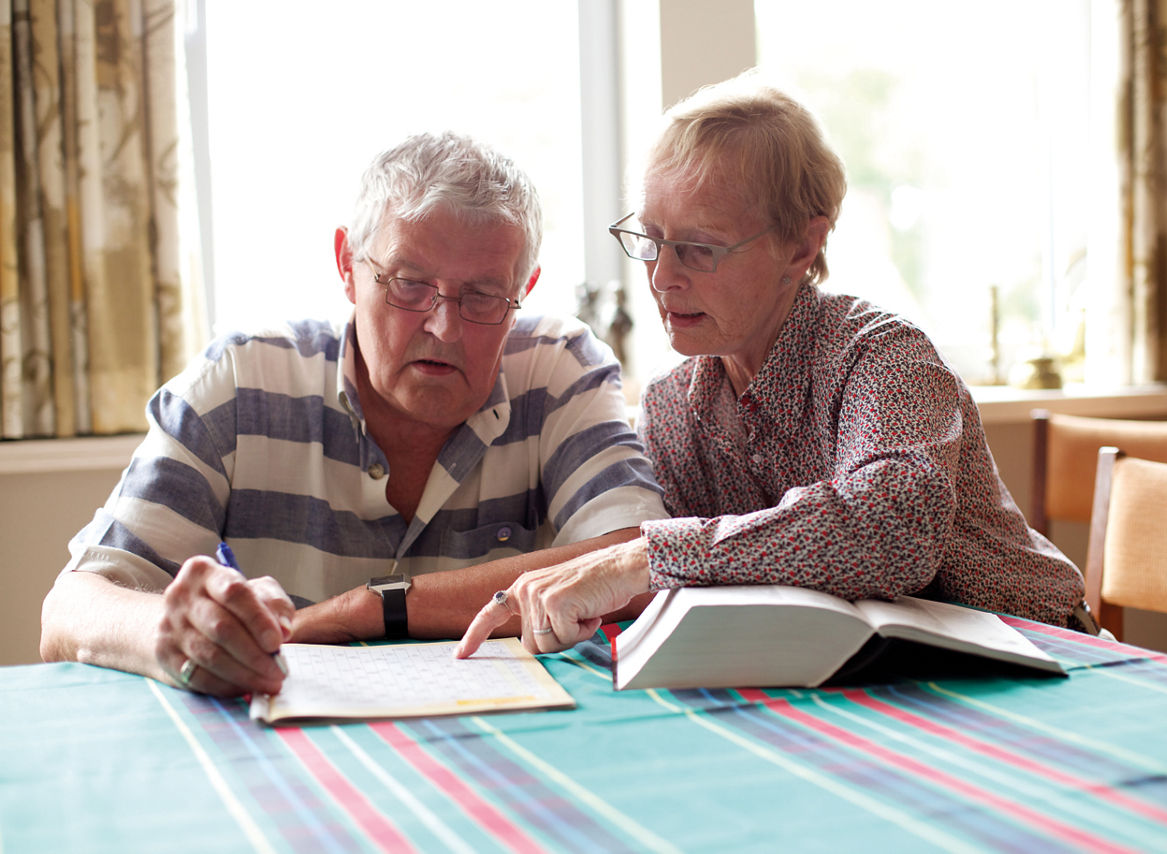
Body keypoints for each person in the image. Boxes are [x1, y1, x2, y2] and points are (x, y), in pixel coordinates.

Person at [458, 74, 1092, 658]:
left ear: (802, 246)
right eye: (650, 239)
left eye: (699, 248)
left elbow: (894, 529)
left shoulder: (882, 355)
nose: (662, 276)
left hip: (1041, 653)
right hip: (866, 677)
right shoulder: (674, 404)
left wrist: (641, 557)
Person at [40, 131, 667, 696]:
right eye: (408, 284)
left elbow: (642, 562)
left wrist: (375, 609)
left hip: (504, 740)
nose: (444, 327)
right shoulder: (244, 379)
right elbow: (71, 609)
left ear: (522, 292)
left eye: (482, 296)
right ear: (347, 265)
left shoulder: (558, 367)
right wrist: (177, 633)